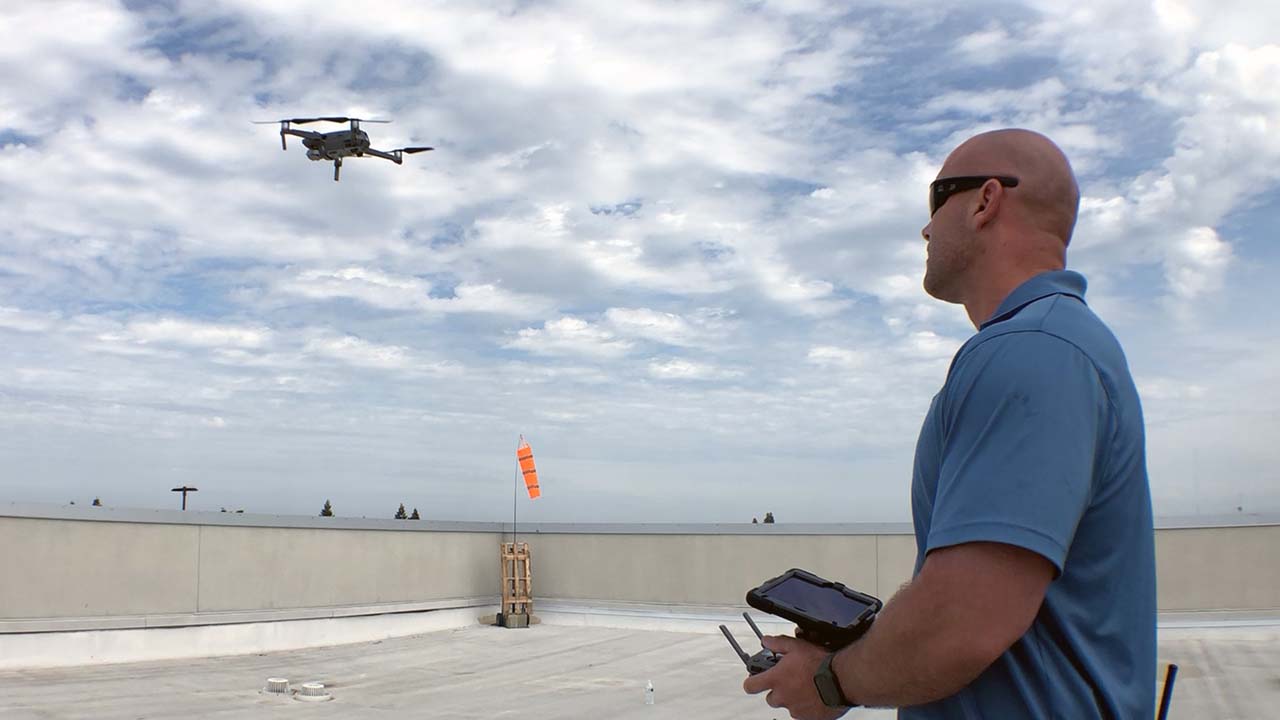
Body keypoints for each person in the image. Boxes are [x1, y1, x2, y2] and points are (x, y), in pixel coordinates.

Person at [743, 129, 1156, 718]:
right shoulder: (1059, 343)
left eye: (936, 200)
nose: (926, 229)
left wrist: (828, 681)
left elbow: (963, 622)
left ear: (986, 201)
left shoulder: (1031, 350)